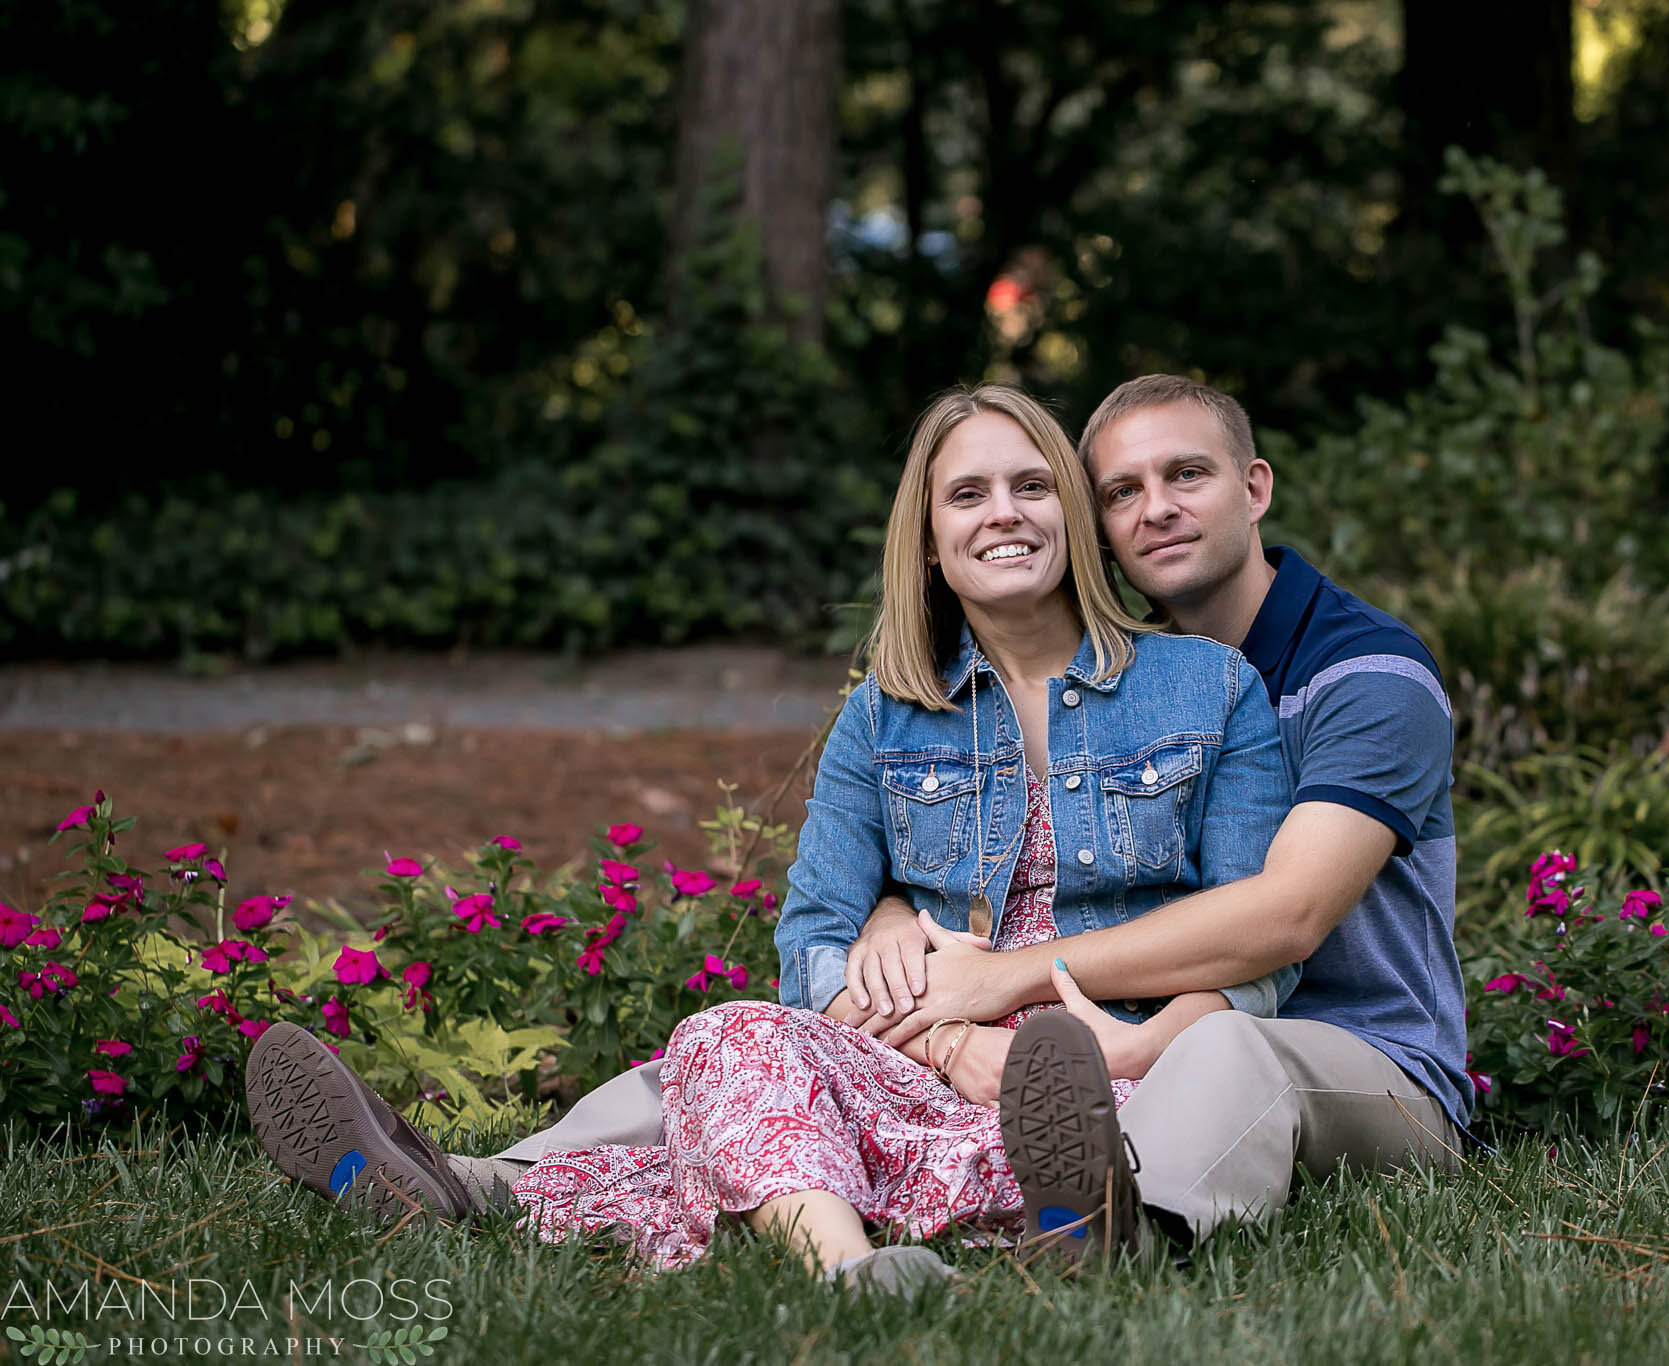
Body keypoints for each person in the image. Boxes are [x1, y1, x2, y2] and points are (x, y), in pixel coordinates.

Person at [242, 383, 1299, 1291]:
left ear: (1069, 509)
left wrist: (1133, 1044)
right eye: (966, 495)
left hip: (1100, 1068)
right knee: (726, 1037)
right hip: (912, 1062)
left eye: (1030, 486)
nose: (1003, 515)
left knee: (830, 1122)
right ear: (928, 541)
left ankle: (469, 1186)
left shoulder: (1205, 688)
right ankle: (851, 1272)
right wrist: (942, 1040)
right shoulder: (886, 715)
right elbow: (813, 946)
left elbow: (1249, 959)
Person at [848, 373, 1469, 1256]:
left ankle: (1117, 1234)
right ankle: (612, 1156)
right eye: (1121, 492)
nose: (1158, 509)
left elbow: (1288, 914)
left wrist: (1017, 977)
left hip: (1359, 1060)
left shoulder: (1368, 677)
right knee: (740, 1043)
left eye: (1187, 475)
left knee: (1228, 1050)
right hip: (1154, 1033)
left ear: (1254, 488)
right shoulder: (1135, 679)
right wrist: (890, 907)